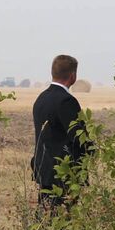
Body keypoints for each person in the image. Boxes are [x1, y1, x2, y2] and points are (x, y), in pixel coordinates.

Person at [32, 54, 91, 211]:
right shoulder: (67, 101)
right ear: (73, 76)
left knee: (45, 219)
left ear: (53, 73)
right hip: (63, 174)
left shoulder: (41, 98)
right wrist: (91, 151)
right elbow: (80, 137)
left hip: (44, 170)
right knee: (63, 221)